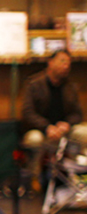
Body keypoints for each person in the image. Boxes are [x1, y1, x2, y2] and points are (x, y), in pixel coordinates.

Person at [20, 49, 87, 185]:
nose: (66, 66)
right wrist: (47, 127)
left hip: (64, 131)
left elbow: (78, 114)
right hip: (41, 130)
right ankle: (35, 177)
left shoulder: (70, 87)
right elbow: (27, 113)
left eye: (68, 63)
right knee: (34, 139)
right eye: (62, 61)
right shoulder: (34, 84)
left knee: (84, 133)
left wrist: (66, 124)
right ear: (50, 63)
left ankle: (77, 175)